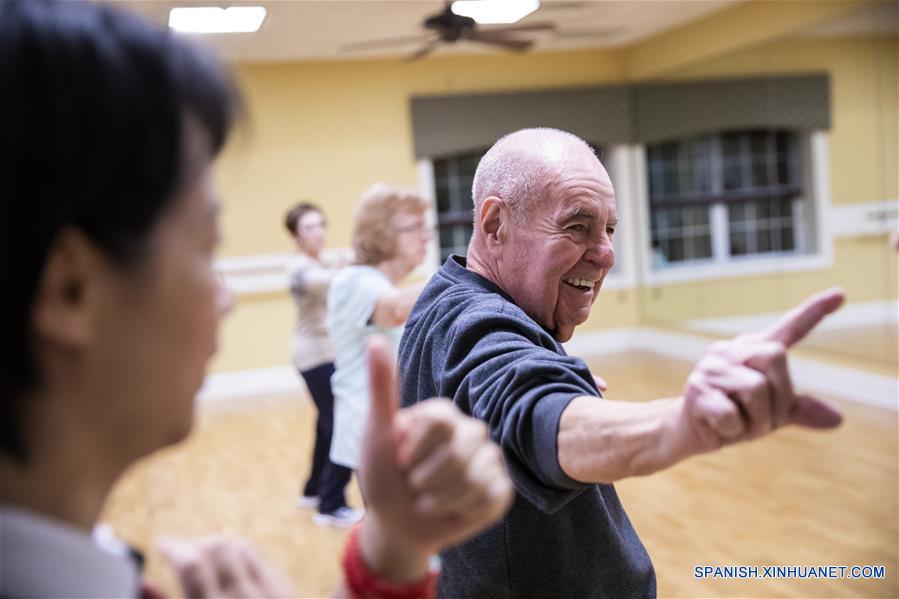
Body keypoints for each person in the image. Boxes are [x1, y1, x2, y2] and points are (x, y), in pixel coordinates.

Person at [0, 2, 513, 597]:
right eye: (205, 245)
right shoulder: (343, 277)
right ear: (71, 289)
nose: (225, 297)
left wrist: (395, 545)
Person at [398, 127, 846, 598]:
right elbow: (533, 415)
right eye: (577, 226)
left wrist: (558, 377)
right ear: (494, 225)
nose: (606, 254)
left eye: (609, 229)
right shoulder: (479, 321)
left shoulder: (443, 296)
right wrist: (683, 422)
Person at [326, 184, 431, 472]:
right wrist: (461, 277)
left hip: (390, 426)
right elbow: (394, 309)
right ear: (381, 234)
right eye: (415, 228)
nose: (427, 237)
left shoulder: (375, 282)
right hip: (369, 427)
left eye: (426, 228)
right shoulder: (354, 280)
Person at [284, 202, 358, 526]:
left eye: (320, 225)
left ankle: (313, 490)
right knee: (342, 424)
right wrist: (348, 269)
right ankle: (331, 504)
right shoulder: (299, 268)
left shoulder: (320, 263)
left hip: (327, 353)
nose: (318, 233)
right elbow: (326, 282)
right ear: (296, 236)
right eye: (309, 228)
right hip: (314, 356)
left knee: (325, 424)